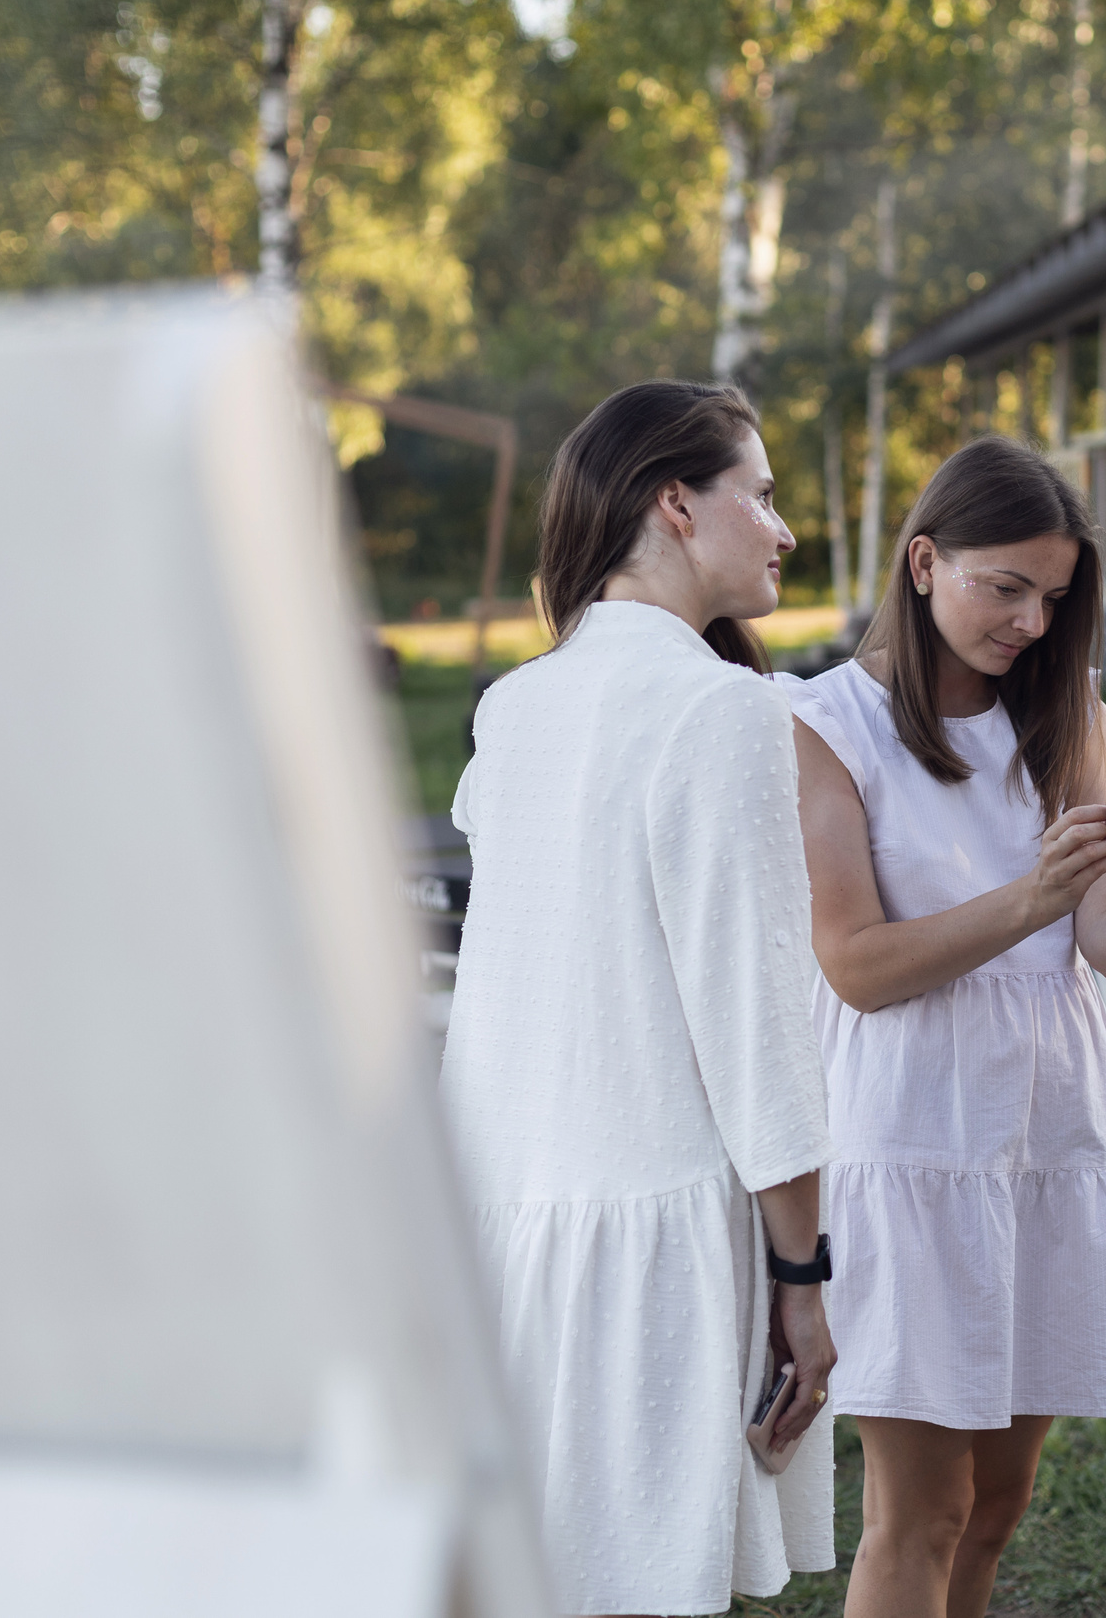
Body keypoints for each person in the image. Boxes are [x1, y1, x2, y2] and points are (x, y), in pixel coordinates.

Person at [787, 438, 1106, 1618]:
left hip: (1048, 1129)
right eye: (1005, 587)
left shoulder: (1069, 712)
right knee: (916, 1513)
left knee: (995, 1505)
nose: (1031, 621)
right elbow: (858, 967)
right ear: (923, 562)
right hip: (912, 1132)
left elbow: (1101, 941)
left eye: (1054, 597)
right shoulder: (826, 725)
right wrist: (1027, 895)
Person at [440, 380, 838, 1617]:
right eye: (761, 496)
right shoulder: (721, 711)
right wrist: (803, 1277)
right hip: (648, 1247)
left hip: (500, 1229)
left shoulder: (514, 708)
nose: (782, 531)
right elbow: (759, 1029)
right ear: (675, 502)